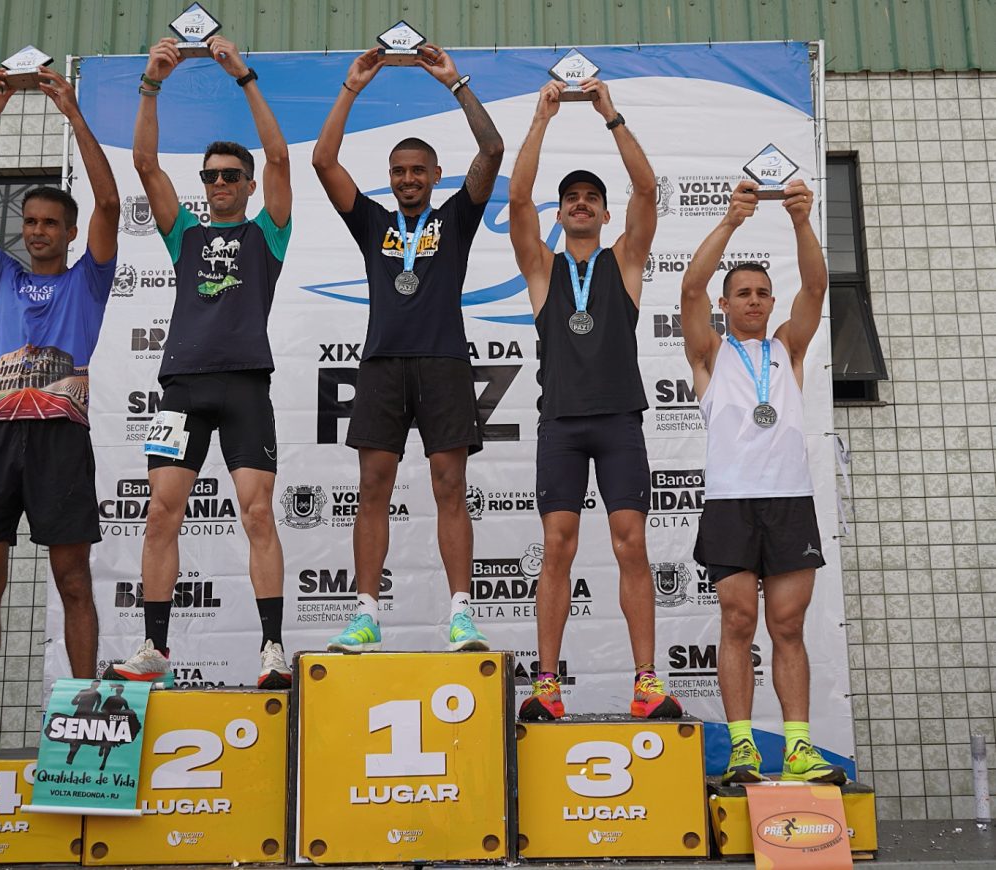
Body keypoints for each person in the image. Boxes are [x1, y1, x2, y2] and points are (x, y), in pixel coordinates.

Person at [0, 65, 119, 760]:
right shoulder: (1, 274)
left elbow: (109, 203)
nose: (37, 231)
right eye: (30, 222)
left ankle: (82, 717)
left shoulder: (89, 277)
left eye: (49, 223)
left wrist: (73, 113)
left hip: (58, 440)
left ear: (68, 233)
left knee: (72, 579)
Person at [105, 35, 293, 689]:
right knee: (161, 511)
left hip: (244, 384)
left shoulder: (267, 232)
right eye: (210, 176)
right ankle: (154, 647)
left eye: (228, 176)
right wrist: (152, 84)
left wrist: (245, 76)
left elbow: (278, 155)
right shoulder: (183, 232)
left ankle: (272, 648)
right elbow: (145, 162)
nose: (218, 184)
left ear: (244, 185)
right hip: (181, 386)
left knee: (258, 511)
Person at [311, 44, 503, 652]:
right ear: (389, 179)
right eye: (399, 171)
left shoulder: (457, 217)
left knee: (450, 486)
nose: (408, 179)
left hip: (444, 359)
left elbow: (493, 150)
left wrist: (456, 84)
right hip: (383, 363)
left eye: (418, 170)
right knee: (374, 487)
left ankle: (462, 615)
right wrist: (351, 87)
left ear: (435, 176)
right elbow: (322, 159)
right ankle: (366, 613)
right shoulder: (372, 222)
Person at [508, 80, 681, 721]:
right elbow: (518, 196)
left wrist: (611, 115)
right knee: (557, 545)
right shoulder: (543, 270)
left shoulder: (625, 260)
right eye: (571, 198)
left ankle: (645, 682)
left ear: (605, 215)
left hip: (617, 420)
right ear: (560, 214)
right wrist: (541, 117)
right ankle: (547, 684)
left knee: (630, 542)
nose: (581, 204)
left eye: (591, 198)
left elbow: (645, 190)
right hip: (560, 422)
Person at [680, 178, 846, 784]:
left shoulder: (788, 349)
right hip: (731, 501)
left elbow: (818, 287)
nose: (753, 301)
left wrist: (803, 220)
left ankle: (799, 748)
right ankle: (745, 746)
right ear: (726, 305)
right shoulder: (708, 353)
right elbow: (690, 287)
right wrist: (730, 220)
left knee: (788, 625)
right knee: (736, 621)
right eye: (743, 293)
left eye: (761, 293)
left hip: (789, 501)